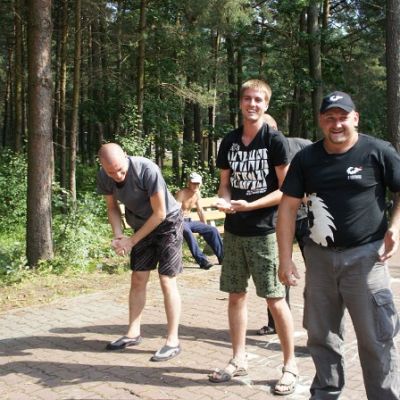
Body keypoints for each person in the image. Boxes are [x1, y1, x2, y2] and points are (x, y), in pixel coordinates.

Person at [277, 91, 400, 399]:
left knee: (376, 338)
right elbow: (288, 207)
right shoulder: (306, 158)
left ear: (355, 118)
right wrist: (285, 258)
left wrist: (395, 227)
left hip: (367, 259)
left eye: (343, 117)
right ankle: (326, 393)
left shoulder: (378, 151)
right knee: (321, 337)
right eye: (329, 118)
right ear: (321, 121)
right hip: (319, 259)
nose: (336, 124)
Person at [209, 79, 298, 396]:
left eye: (258, 99)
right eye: (247, 98)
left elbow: (287, 190)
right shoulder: (229, 141)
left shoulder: (274, 140)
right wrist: (224, 201)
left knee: (275, 299)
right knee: (235, 296)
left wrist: (252, 205)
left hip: (265, 231)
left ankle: (290, 366)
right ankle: (238, 359)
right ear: (240, 102)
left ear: (266, 104)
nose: (252, 104)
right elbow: (225, 184)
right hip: (234, 231)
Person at [97, 143, 183, 362]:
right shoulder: (105, 175)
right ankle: (133, 333)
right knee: (138, 278)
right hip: (141, 224)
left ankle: (172, 341)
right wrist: (119, 236)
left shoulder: (146, 169)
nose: (117, 176)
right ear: (103, 166)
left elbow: (160, 213)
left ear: (125, 156)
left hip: (168, 223)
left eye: (120, 170)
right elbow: (112, 207)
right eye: (111, 172)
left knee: (166, 279)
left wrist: (131, 241)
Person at [258, 114, 312, 335]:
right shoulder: (259, 155)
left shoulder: (303, 146)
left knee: (317, 272)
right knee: (277, 272)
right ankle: (276, 322)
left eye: (268, 130)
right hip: (277, 220)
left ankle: (318, 329)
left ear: (276, 128)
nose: (266, 135)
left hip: (307, 219)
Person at [175, 172, 224, 270]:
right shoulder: (182, 193)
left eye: (197, 183)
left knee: (212, 230)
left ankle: (223, 258)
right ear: (188, 183)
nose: (195, 185)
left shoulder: (197, 194)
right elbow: (175, 211)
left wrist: (205, 227)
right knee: (188, 232)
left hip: (189, 221)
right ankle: (203, 261)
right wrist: (179, 223)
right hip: (179, 221)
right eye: (193, 183)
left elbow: (200, 211)